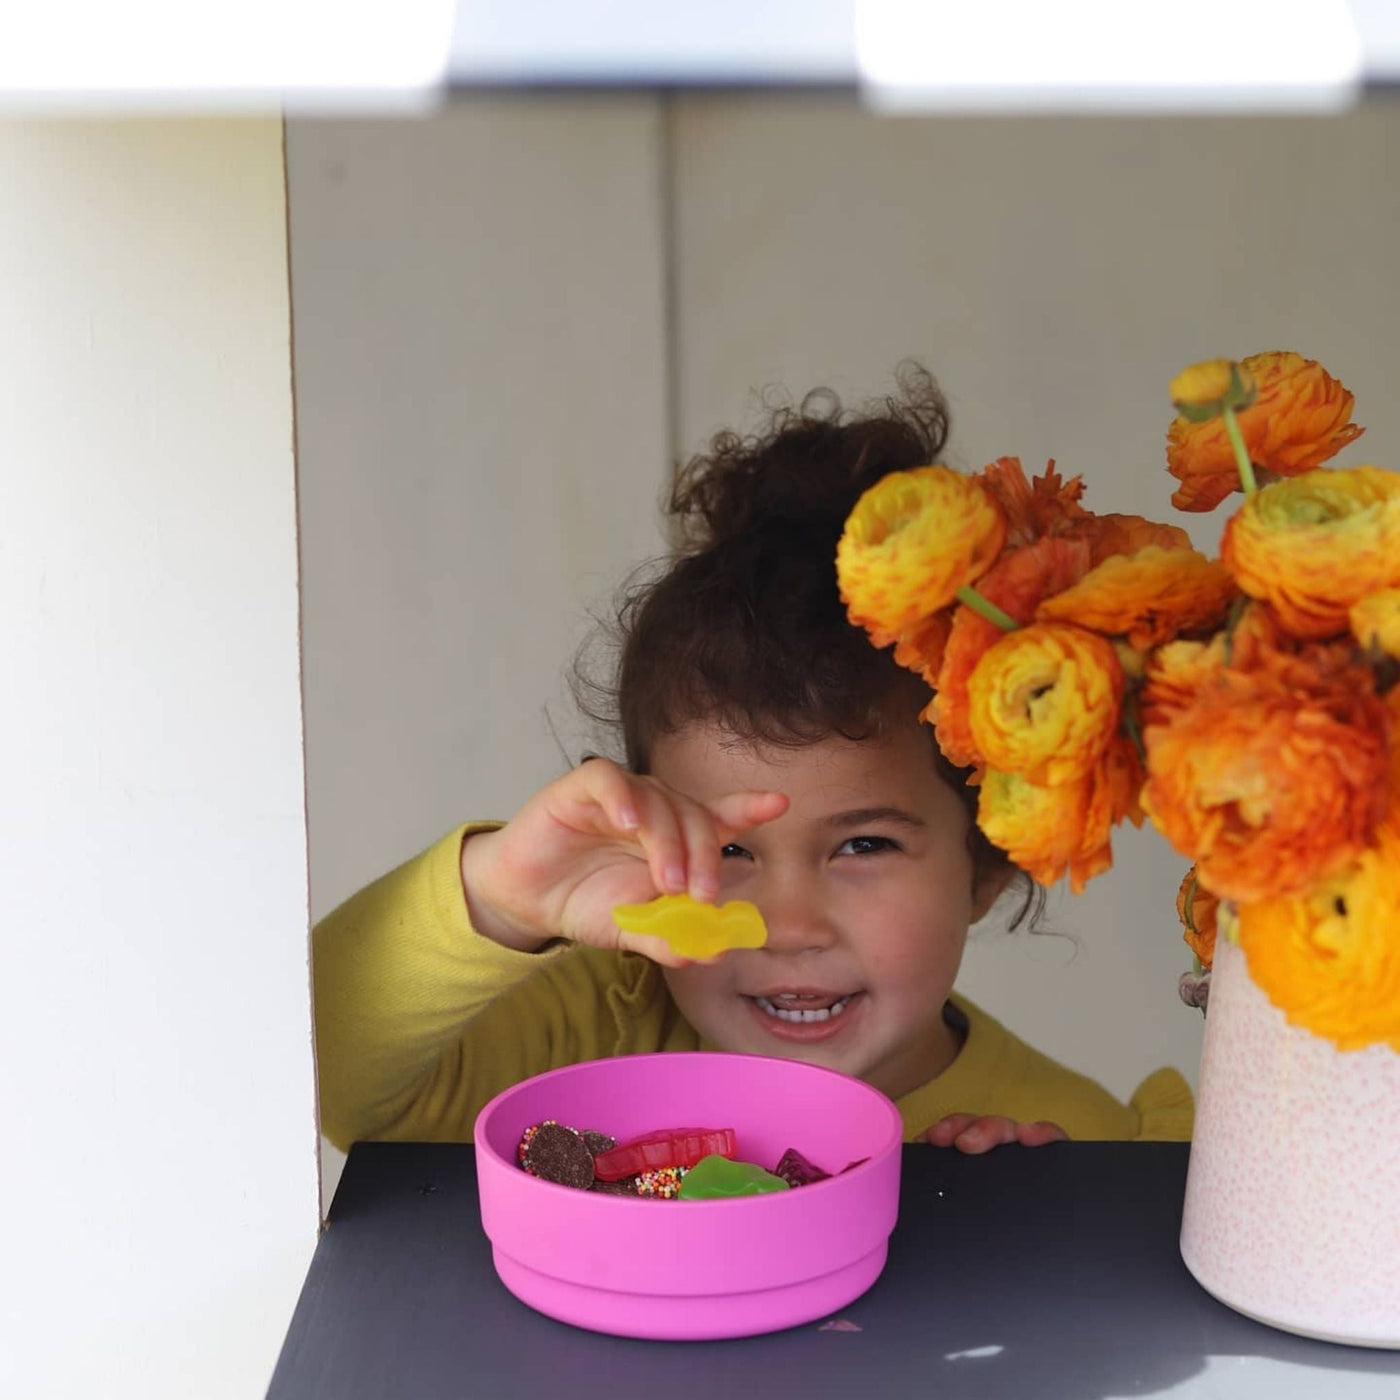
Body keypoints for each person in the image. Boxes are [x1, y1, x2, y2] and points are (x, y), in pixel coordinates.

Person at [313, 367, 1194, 1156]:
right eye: (727, 848)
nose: (787, 923)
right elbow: (325, 1077)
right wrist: (501, 892)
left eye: (864, 847)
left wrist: (1045, 1240)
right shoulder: (584, 1030)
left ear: (988, 865)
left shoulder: (1074, 1146)